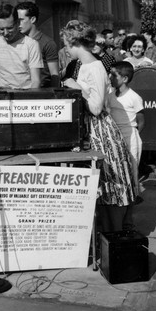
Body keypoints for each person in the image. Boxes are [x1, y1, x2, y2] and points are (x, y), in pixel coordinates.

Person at [61, 21, 136, 232]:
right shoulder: (88, 66)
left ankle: (115, 235)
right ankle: (108, 235)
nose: (66, 49)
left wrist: (76, 88)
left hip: (100, 130)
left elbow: (95, 107)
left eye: (67, 44)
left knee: (110, 183)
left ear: (75, 42)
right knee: (103, 184)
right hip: (94, 130)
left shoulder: (94, 67)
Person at [107, 61, 145, 229]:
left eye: (113, 75)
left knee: (131, 177)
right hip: (115, 139)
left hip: (130, 139)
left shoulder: (134, 97)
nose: (110, 77)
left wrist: (132, 136)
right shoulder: (109, 93)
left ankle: (128, 220)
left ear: (124, 78)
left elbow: (141, 121)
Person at [0, 3, 43, 89]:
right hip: (3, 99)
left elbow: (36, 81)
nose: (6, 33)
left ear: (18, 23)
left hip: (25, 98)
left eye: (9, 28)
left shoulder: (31, 45)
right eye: (1, 29)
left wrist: (29, 98)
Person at [16, 1, 59, 87]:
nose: (18, 24)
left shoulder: (48, 43)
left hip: (42, 94)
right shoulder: (16, 41)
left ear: (33, 19)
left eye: (21, 20)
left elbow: (55, 75)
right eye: (16, 21)